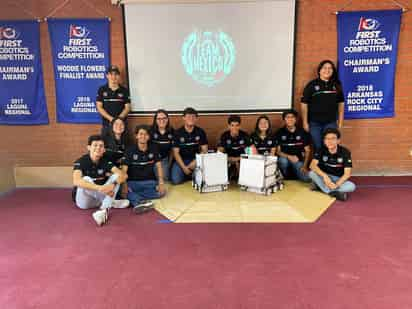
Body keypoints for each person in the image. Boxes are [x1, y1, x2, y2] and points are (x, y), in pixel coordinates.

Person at [72, 135, 129, 225]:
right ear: (89, 147)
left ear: (104, 149)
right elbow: (76, 181)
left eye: (101, 146)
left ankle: (103, 210)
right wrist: (100, 188)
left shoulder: (105, 161)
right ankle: (111, 202)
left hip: (99, 198)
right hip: (84, 202)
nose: (98, 148)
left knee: (116, 177)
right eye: (95, 145)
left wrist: (112, 185)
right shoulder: (81, 161)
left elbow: (123, 175)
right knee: (86, 179)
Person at [301, 60, 344, 150]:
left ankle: (326, 163)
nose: (327, 70)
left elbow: (341, 104)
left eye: (330, 68)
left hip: (330, 122)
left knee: (330, 146)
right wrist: (305, 122)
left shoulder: (337, 85)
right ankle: (317, 164)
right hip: (314, 123)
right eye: (324, 68)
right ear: (319, 70)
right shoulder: (312, 85)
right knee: (318, 146)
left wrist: (340, 123)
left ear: (333, 71)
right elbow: (304, 104)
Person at [123, 125, 166, 213]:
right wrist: (124, 185)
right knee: (124, 191)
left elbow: (159, 166)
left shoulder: (153, 148)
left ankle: (136, 198)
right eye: (141, 134)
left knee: (161, 193)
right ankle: (140, 202)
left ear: (149, 136)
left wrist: (161, 182)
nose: (143, 136)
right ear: (136, 136)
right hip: (133, 182)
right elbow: (124, 170)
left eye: (146, 134)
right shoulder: (129, 150)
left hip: (150, 182)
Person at [309, 128, 356, 201]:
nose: (330, 141)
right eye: (327, 139)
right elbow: (312, 165)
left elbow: (347, 174)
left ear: (338, 141)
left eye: (333, 138)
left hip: (337, 178)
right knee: (311, 173)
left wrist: (336, 184)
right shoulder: (321, 149)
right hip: (325, 177)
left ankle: (323, 188)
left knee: (351, 186)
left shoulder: (345, 152)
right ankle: (333, 192)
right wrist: (325, 177)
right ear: (324, 141)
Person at [171, 107, 208, 184]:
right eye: (188, 117)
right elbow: (176, 153)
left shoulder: (200, 132)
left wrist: (195, 162)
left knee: (201, 180)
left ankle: (191, 175)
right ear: (183, 118)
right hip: (181, 160)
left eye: (193, 117)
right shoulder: (177, 133)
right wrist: (184, 168)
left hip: (196, 160)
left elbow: (204, 150)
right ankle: (188, 174)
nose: (191, 119)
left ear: (196, 119)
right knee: (176, 180)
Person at [275, 110, 311, 182]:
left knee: (306, 179)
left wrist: (304, 166)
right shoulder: (279, 132)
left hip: (297, 160)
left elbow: (308, 151)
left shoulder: (302, 132)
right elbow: (278, 151)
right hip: (285, 159)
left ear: (295, 119)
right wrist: (289, 156)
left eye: (292, 117)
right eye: (287, 117)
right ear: (284, 119)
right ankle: (284, 177)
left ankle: (296, 173)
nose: (290, 119)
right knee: (283, 161)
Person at [96, 65, 131, 136]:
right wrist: (112, 119)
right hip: (107, 124)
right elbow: (99, 107)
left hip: (121, 125)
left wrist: (119, 119)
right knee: (106, 146)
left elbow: (127, 107)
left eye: (116, 74)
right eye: (111, 74)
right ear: (107, 76)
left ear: (119, 76)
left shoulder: (124, 90)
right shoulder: (102, 89)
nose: (113, 77)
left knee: (123, 145)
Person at [217, 115, 253, 180]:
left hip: (241, 159)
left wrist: (240, 159)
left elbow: (250, 152)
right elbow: (219, 153)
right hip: (229, 159)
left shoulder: (245, 135)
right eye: (232, 125)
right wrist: (229, 159)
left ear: (240, 126)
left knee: (243, 163)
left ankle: (242, 180)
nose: (234, 128)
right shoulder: (224, 136)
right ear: (229, 126)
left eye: (237, 125)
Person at [150, 109, 174, 181]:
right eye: (159, 119)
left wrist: (169, 164)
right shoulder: (150, 130)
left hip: (164, 160)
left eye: (164, 118)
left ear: (167, 119)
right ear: (155, 120)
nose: (162, 120)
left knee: (165, 178)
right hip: (151, 159)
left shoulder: (172, 131)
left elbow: (173, 151)